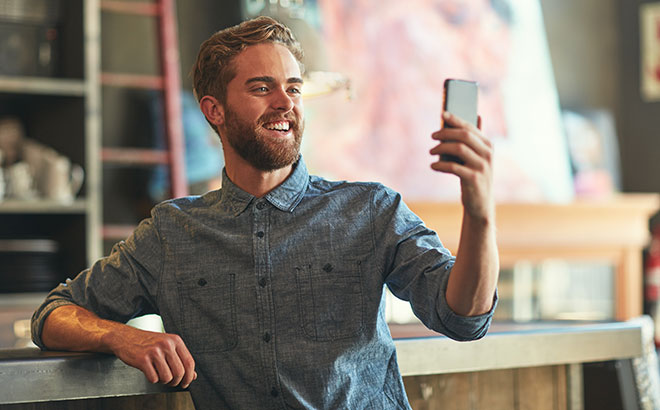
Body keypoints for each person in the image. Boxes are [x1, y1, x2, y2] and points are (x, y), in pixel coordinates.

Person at [31, 16, 499, 410]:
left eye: (293, 88)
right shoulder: (172, 233)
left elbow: (462, 317)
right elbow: (52, 316)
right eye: (262, 88)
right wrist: (123, 338)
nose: (285, 103)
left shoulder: (371, 208)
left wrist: (479, 213)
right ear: (213, 110)